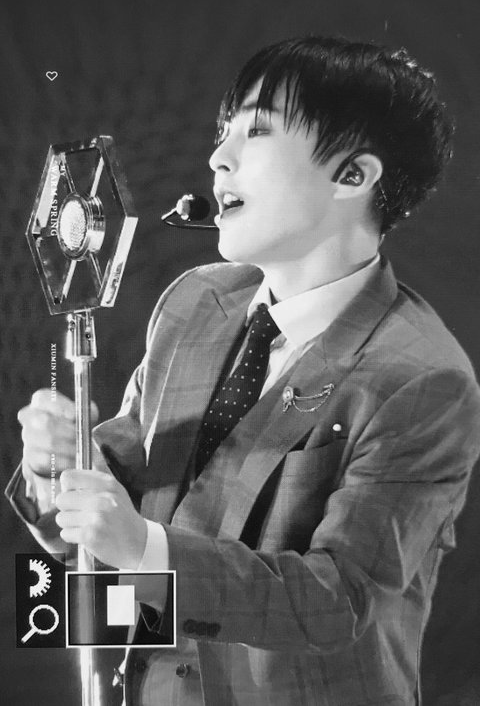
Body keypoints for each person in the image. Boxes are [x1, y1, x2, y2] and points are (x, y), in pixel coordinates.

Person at [7, 35, 480, 706]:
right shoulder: (194, 304)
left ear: (353, 176)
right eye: (222, 131)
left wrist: (143, 548)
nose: (217, 157)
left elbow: (338, 602)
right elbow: (108, 520)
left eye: (256, 131)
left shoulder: (422, 379)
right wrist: (59, 471)